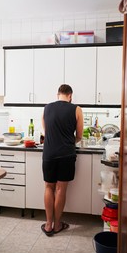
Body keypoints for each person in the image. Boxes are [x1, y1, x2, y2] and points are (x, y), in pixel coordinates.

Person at [41, 84, 83, 236]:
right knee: (60, 189)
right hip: (66, 154)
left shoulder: (46, 108)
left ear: (57, 94)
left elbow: (46, 132)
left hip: (49, 154)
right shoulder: (76, 109)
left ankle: (48, 225)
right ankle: (58, 225)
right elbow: (79, 135)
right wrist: (69, 141)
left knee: (48, 187)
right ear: (70, 96)